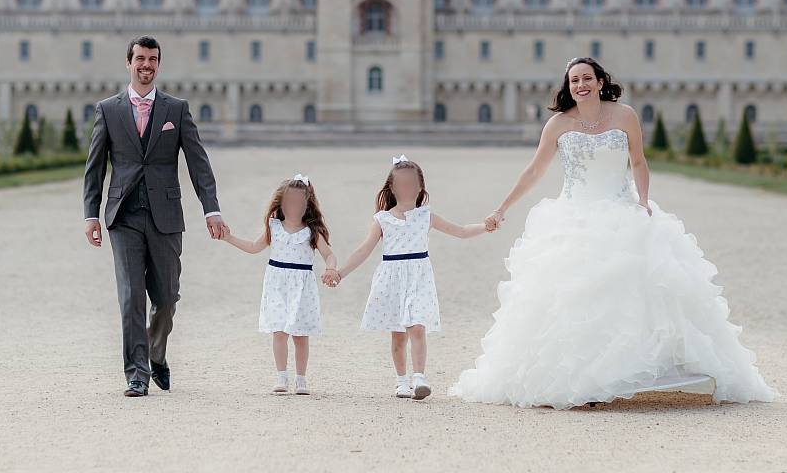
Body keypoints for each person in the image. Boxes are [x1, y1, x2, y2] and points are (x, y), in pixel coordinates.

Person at [450, 57, 777, 409]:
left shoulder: (624, 116)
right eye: (574, 80)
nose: (580, 85)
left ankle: (632, 371)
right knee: (572, 298)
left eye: (586, 78)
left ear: (601, 80)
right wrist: (502, 208)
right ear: (567, 87)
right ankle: (578, 380)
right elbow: (534, 171)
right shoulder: (558, 124)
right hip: (573, 216)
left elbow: (638, 161)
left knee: (642, 291)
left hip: (621, 210)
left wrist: (645, 200)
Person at [82, 35, 229, 397]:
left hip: (165, 215)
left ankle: (155, 352)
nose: (146, 65)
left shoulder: (176, 110)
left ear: (158, 65)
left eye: (152, 60)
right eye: (140, 59)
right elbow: (95, 167)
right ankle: (136, 372)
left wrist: (211, 207)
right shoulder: (108, 109)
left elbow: (198, 162)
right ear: (129, 63)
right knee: (132, 296)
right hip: (124, 215)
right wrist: (91, 214)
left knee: (166, 297)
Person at [325, 155, 495, 400]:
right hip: (392, 278)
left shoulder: (427, 216)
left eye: (411, 183)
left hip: (418, 276)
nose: (406, 188)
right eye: (401, 184)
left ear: (419, 187)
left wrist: (485, 226)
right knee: (398, 336)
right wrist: (340, 272)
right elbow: (364, 249)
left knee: (417, 326)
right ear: (393, 188)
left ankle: (419, 378)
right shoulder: (382, 219)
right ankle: (401, 380)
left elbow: (461, 231)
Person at [223, 173, 338, 395]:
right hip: (277, 284)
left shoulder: (312, 231)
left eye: (299, 203)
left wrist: (331, 268)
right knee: (279, 332)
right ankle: (281, 377)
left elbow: (329, 255)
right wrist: (229, 238)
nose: (294, 207)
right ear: (282, 204)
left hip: (302, 286)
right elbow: (254, 247)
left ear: (307, 204)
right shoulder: (274, 227)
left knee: (300, 334)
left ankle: (301, 379)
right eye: (289, 202)